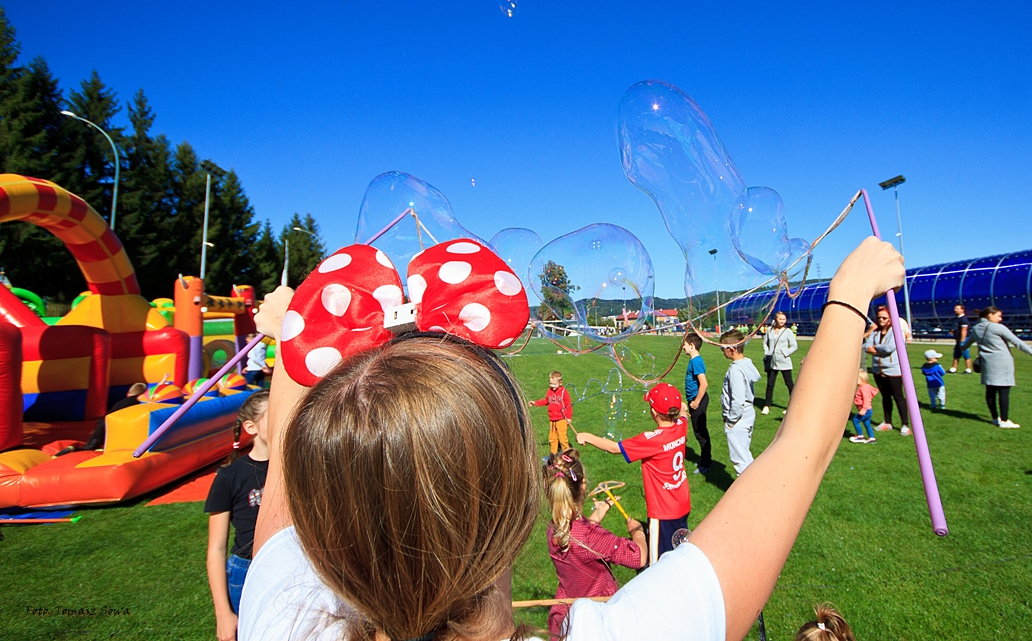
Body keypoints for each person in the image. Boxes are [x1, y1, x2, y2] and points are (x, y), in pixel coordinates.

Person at [239, 235, 904, 641]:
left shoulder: (282, 617)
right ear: (516, 502)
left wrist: (299, 332)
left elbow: (279, 501)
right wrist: (849, 293)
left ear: (330, 530)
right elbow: (801, 448)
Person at [577, 383, 690, 565]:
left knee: (659, 564)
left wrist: (587, 437)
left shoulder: (652, 440)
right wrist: (683, 409)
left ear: (654, 412)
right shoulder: (680, 427)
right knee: (680, 548)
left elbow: (615, 448)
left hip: (663, 511)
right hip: (682, 503)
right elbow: (684, 416)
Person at [542, 449, 647, 640]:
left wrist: (597, 514)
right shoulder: (591, 537)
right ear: (583, 486)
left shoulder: (554, 529)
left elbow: (579, 539)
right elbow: (638, 557)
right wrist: (637, 532)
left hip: (569, 607)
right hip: (597, 612)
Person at [205, 390, 271, 641]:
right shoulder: (229, 477)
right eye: (272, 415)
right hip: (247, 570)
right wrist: (223, 613)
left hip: (292, 562)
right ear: (251, 427)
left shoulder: (292, 466)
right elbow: (216, 549)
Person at [959, 306, 1032, 429]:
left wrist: (963, 348)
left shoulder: (976, 328)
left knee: (990, 391)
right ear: (990, 315)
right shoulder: (998, 327)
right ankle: (1005, 420)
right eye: (998, 316)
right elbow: (1017, 342)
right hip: (1002, 362)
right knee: (1003, 392)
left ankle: (995, 418)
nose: (1000, 319)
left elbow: (966, 345)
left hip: (987, 363)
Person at [54, 382, 148, 456]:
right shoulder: (136, 400)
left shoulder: (122, 402)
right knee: (91, 448)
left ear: (128, 394)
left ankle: (71, 450)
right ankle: (72, 451)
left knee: (92, 445)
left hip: (104, 424)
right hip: (109, 426)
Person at [863, 306, 910, 437]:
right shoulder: (875, 331)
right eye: (879, 318)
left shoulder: (896, 331)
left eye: (884, 318)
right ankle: (887, 422)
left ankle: (905, 425)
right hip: (878, 369)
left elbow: (890, 347)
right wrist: (874, 348)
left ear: (890, 319)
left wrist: (875, 348)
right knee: (885, 397)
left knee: (898, 396)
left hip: (893, 370)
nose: (881, 320)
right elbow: (866, 347)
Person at [720, 329, 761, 475]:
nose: (722, 352)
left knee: (741, 461)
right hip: (747, 414)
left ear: (732, 349)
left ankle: (752, 493)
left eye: (722, 349)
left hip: (739, 418)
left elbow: (737, 400)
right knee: (744, 454)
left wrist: (731, 421)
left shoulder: (736, 371)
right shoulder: (746, 364)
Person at [682, 332, 711, 474]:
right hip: (695, 400)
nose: (683, 347)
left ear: (692, 346)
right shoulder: (694, 361)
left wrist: (696, 402)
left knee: (700, 433)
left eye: (685, 345)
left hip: (698, 400)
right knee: (699, 431)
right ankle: (704, 460)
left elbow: (704, 384)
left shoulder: (696, 362)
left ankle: (706, 464)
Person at [762, 311, 798, 415]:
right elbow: (765, 343)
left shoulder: (788, 331)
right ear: (776, 319)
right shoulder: (769, 330)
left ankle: (793, 405)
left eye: (784, 319)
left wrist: (785, 353)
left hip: (784, 361)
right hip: (772, 361)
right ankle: (767, 405)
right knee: (770, 384)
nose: (782, 321)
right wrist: (767, 352)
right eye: (780, 319)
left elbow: (794, 346)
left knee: (789, 383)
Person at [529, 370, 573, 454]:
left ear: (560, 383)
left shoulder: (564, 392)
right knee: (552, 439)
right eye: (551, 384)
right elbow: (546, 401)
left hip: (562, 419)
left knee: (562, 439)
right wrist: (535, 403)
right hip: (552, 420)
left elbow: (569, 405)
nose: (552, 386)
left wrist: (569, 417)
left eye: (554, 384)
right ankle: (553, 455)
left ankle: (567, 455)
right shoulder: (549, 391)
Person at [847, 370, 878, 445]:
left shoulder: (864, 388)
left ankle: (860, 436)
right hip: (868, 410)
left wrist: (863, 410)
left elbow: (866, 399)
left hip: (866, 410)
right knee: (867, 423)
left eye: (856, 379)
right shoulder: (863, 387)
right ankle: (872, 438)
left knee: (855, 420)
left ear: (862, 379)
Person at [950, 304, 972, 374]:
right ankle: (953, 369)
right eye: (955, 308)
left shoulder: (963, 319)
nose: (955, 310)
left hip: (963, 339)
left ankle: (968, 369)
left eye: (957, 309)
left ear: (962, 310)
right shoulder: (957, 319)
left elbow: (964, 330)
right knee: (956, 354)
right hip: (958, 339)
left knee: (965, 354)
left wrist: (962, 341)